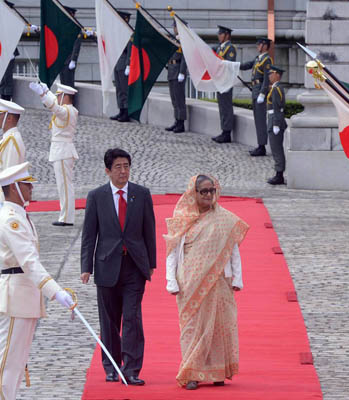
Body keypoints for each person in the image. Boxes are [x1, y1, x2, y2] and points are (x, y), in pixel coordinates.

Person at [80, 148, 156, 386]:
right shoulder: (97, 196)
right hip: (106, 266)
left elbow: (149, 231)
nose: (123, 171)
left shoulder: (141, 194)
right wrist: (87, 267)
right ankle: (112, 366)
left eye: (126, 166)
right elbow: (89, 234)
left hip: (134, 266)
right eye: (118, 167)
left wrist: (151, 263)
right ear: (107, 171)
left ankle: (131, 368)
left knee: (133, 317)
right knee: (110, 320)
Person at [165, 174, 249, 390]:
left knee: (219, 326)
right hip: (189, 283)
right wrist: (171, 281)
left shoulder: (225, 219)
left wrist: (237, 278)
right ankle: (191, 372)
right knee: (192, 329)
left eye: (212, 190)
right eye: (204, 191)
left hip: (219, 282)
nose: (209, 195)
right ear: (194, 193)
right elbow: (172, 252)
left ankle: (217, 370)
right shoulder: (183, 218)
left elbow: (233, 251)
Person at [0, 162, 75, 400]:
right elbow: (29, 262)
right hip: (15, 298)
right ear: (13, 187)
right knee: (7, 362)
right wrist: (56, 292)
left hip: (24, 296)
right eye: (26, 184)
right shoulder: (11, 219)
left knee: (18, 361)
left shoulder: (20, 216)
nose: (31, 188)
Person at [28, 82, 79, 227]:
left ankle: (67, 218)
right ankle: (65, 216)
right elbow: (55, 105)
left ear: (64, 96)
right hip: (61, 150)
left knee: (65, 186)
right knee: (63, 185)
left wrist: (43, 94)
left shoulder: (67, 110)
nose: (57, 98)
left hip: (63, 151)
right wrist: (46, 91)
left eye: (58, 95)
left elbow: (55, 108)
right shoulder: (68, 109)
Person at [240, 37, 273, 155]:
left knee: (260, 120)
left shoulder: (267, 60)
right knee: (257, 120)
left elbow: (266, 79)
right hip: (255, 91)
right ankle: (260, 144)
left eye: (259, 44)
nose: (257, 46)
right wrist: (232, 65)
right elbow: (246, 65)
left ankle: (262, 146)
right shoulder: (258, 59)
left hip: (259, 92)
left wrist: (263, 93)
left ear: (264, 45)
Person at [211, 26, 237, 144]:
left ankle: (227, 132)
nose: (219, 36)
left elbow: (229, 64)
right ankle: (223, 130)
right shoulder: (219, 48)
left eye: (221, 34)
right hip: (220, 81)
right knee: (221, 106)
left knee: (226, 106)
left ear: (227, 35)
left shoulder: (230, 48)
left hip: (226, 81)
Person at [165, 20, 188, 133]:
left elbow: (185, 58)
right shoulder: (174, 39)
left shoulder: (184, 40)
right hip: (171, 69)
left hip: (178, 70)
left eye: (175, 26)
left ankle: (181, 123)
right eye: (174, 27)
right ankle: (176, 120)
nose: (174, 29)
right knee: (174, 98)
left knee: (179, 99)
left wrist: (182, 72)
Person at [266, 65, 286, 185]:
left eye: (271, 73)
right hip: (273, 118)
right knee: (275, 148)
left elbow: (278, 107)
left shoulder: (277, 88)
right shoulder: (274, 88)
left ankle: (279, 175)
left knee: (277, 149)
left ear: (277, 75)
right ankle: (278, 173)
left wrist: (276, 124)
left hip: (275, 119)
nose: (269, 76)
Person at [110, 11, 131, 123]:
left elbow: (130, 51)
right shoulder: (118, 32)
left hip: (123, 63)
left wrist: (128, 64)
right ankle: (121, 110)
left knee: (124, 88)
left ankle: (126, 112)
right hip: (117, 61)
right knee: (118, 88)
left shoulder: (129, 33)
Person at [59, 6, 82, 88]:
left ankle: (70, 101)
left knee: (69, 85)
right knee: (63, 85)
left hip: (69, 60)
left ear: (72, 15)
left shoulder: (76, 27)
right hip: (62, 60)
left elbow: (77, 45)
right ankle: (64, 101)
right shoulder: (63, 27)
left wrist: (73, 60)